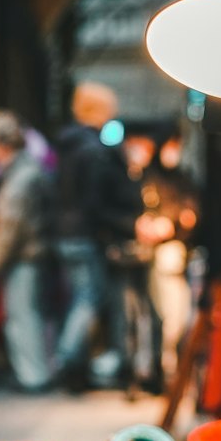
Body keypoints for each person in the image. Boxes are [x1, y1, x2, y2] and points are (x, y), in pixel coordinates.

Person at [54, 82, 140, 391]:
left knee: (81, 297)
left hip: (66, 232)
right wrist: (123, 225)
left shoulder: (68, 145)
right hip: (84, 234)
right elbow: (93, 201)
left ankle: (72, 361)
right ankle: (68, 361)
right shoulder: (91, 150)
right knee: (89, 297)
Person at [0, 109, 54, 392]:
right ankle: (33, 373)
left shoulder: (20, 177)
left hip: (24, 257)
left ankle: (33, 375)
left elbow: (11, 225)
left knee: (23, 317)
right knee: (27, 315)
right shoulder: (24, 170)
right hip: (30, 254)